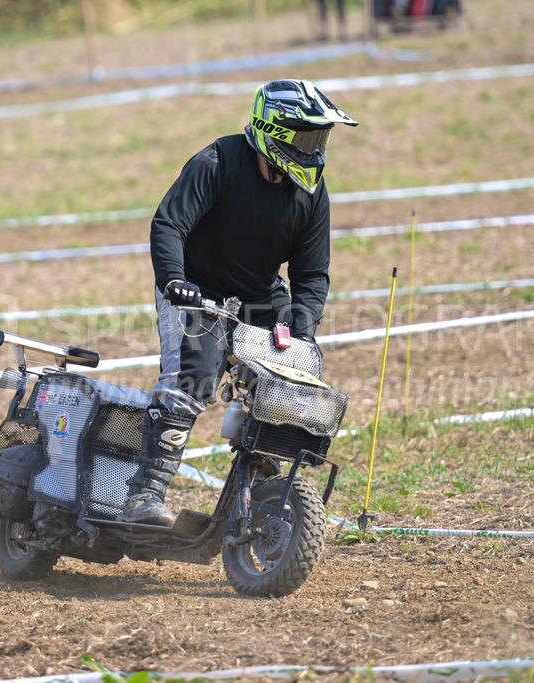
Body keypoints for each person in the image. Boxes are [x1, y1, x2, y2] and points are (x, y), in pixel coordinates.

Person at [119, 79, 358, 525]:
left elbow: (310, 273)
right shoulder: (217, 162)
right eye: (306, 137)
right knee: (195, 380)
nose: (316, 148)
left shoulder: (311, 192)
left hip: (260, 296)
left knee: (296, 375)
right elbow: (169, 225)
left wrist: (301, 328)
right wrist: (174, 280)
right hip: (195, 288)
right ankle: (142, 496)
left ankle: (262, 477)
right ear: (274, 132)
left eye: (319, 139)